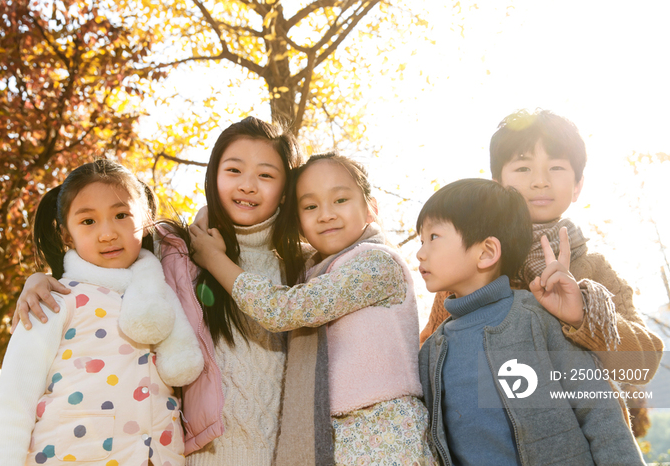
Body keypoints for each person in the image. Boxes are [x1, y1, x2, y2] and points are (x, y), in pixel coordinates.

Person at [11, 117, 304, 466]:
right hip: (204, 453)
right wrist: (42, 277)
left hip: (285, 452)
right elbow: (110, 255)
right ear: (213, 176)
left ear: (286, 189)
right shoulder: (175, 248)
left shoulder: (302, 265)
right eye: (234, 170)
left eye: (266, 175)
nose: (248, 186)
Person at [191, 153, 435, 466]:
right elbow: (262, 240)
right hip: (330, 433)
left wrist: (214, 259)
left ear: (372, 208)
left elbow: (285, 308)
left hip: (383, 430)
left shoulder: (376, 263)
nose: (326, 215)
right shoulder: (315, 269)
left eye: (341, 199)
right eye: (310, 206)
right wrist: (217, 210)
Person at [0, 160, 203, 465]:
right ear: (66, 235)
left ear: (147, 220)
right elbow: (14, 402)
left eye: (122, 215)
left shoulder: (161, 295)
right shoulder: (52, 299)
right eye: (88, 221)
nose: (108, 233)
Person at [420, 109, 663, 387]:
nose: (540, 181)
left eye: (557, 167)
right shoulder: (465, 265)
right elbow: (430, 357)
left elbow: (644, 364)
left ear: (577, 186)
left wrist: (582, 315)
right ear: (497, 185)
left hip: (584, 428)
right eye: (523, 167)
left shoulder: (594, 270)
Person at [416, 178, 646, 465]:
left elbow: (598, 409)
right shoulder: (432, 351)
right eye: (420, 240)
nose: (420, 252)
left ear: (486, 252)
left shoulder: (537, 319)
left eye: (434, 237)